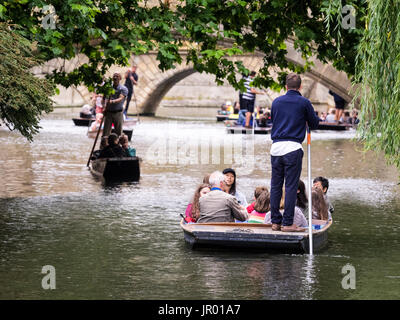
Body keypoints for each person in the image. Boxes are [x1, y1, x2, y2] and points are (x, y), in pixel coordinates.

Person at [269, 73, 320, 232]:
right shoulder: (304, 102)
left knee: (276, 186)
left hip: (276, 148)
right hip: (292, 148)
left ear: (286, 87)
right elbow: (314, 123)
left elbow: (275, 120)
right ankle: (287, 223)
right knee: (291, 186)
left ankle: (275, 221)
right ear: (300, 87)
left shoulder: (276, 101)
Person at [103, 73, 128, 137]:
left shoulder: (123, 88)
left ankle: (118, 146)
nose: (115, 77)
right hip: (108, 113)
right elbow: (104, 98)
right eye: (114, 76)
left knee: (119, 132)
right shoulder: (108, 88)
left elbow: (120, 98)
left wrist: (112, 101)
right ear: (112, 78)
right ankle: (104, 145)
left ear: (120, 78)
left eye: (117, 76)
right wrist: (104, 107)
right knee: (105, 132)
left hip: (118, 113)